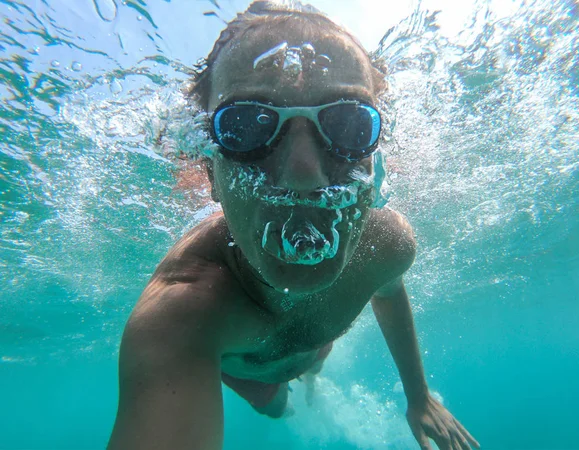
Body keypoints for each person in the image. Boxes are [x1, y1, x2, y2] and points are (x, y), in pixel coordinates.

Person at [108, 2, 480, 449]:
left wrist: (420, 399)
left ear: (374, 159)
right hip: (253, 376)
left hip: (309, 349)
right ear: (210, 174)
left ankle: (311, 378)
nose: (304, 175)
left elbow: (389, 289)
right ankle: (286, 396)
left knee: (315, 361)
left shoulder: (387, 246)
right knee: (276, 404)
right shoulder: (185, 312)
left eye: (348, 125)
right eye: (245, 126)